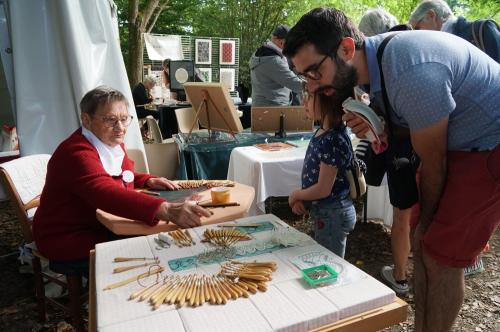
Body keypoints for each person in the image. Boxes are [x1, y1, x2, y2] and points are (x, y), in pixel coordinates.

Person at [283, 7, 500, 332]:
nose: (312, 88)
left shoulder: (411, 72)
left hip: (488, 144)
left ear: (345, 49)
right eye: (304, 77)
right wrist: (380, 126)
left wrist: (426, 223)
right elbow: (411, 132)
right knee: (422, 244)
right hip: (459, 145)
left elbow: (434, 162)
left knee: (439, 254)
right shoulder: (376, 64)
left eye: (314, 72)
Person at [33, 86, 211, 275]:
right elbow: (103, 190)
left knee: (161, 243)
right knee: (152, 252)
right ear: (86, 119)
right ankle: (109, 300)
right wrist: (166, 210)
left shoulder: (108, 141)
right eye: (110, 120)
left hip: (101, 225)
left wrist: (146, 180)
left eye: (124, 119)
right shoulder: (76, 152)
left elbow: (119, 176)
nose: (120, 128)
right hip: (69, 238)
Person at [358, 8, 417, 295]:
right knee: (426, 209)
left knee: (403, 215)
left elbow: (384, 115)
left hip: (402, 146)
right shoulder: (414, 47)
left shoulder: (383, 57)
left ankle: (401, 276)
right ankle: (427, 272)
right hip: (433, 142)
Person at [288, 86, 356, 258]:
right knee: (324, 259)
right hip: (327, 212)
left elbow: (323, 189)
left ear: (328, 102)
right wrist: (305, 199)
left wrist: (297, 195)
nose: (304, 102)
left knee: (329, 263)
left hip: (333, 214)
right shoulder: (323, 133)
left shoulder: (332, 139)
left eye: (310, 97)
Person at [409, 0, 500, 62]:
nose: (416, 34)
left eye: (417, 28)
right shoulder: (435, 49)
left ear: (431, 15)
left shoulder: (483, 29)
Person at [249, 24, 304, 106]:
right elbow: (296, 84)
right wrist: (315, 83)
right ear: (281, 41)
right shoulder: (273, 60)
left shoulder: (260, 53)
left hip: (262, 108)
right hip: (273, 110)